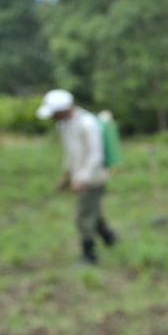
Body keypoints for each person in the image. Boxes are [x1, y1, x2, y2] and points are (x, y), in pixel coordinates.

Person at [37, 89, 116, 264]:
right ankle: (110, 238)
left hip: (93, 178)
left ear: (63, 110)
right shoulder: (65, 125)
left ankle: (89, 256)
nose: (53, 118)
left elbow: (96, 155)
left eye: (55, 114)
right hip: (79, 177)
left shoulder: (88, 124)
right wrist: (67, 177)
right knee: (93, 212)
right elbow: (72, 154)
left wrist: (82, 180)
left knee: (83, 217)